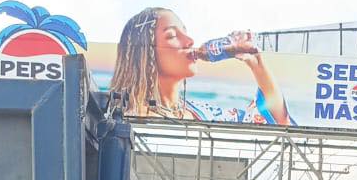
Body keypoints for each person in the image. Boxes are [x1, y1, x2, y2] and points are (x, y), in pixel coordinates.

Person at [108, 8, 291, 125]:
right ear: (145, 53)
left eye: (185, 32)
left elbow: (278, 123)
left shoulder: (203, 113)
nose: (190, 41)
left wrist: (257, 64)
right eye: (172, 36)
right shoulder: (122, 117)